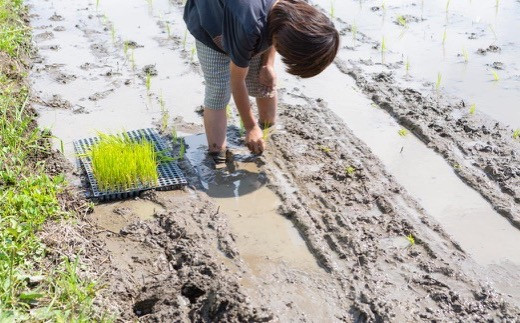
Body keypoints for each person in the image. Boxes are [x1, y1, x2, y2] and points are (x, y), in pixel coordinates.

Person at [184, 0, 339, 162]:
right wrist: (250, 126)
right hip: (213, 27)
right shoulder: (248, 25)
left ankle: (266, 128)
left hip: (252, 24)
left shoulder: (295, 9)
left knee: (262, 77)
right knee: (219, 91)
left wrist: (268, 64)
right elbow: (236, 81)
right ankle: (217, 156)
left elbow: (277, 25)